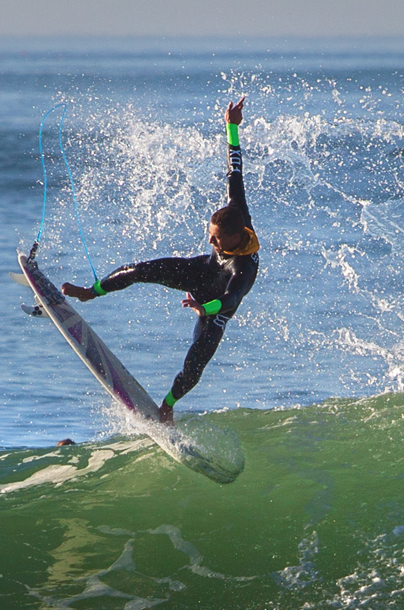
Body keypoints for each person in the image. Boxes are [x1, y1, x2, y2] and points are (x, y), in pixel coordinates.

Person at [62, 96, 258, 424]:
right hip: (201, 273)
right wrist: (231, 127)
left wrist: (202, 308)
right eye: (210, 234)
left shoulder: (245, 268)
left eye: (216, 238)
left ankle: (168, 405)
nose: (210, 240)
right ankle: (90, 292)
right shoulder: (236, 210)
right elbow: (234, 169)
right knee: (141, 270)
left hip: (217, 309)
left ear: (235, 237)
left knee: (195, 363)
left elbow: (230, 299)